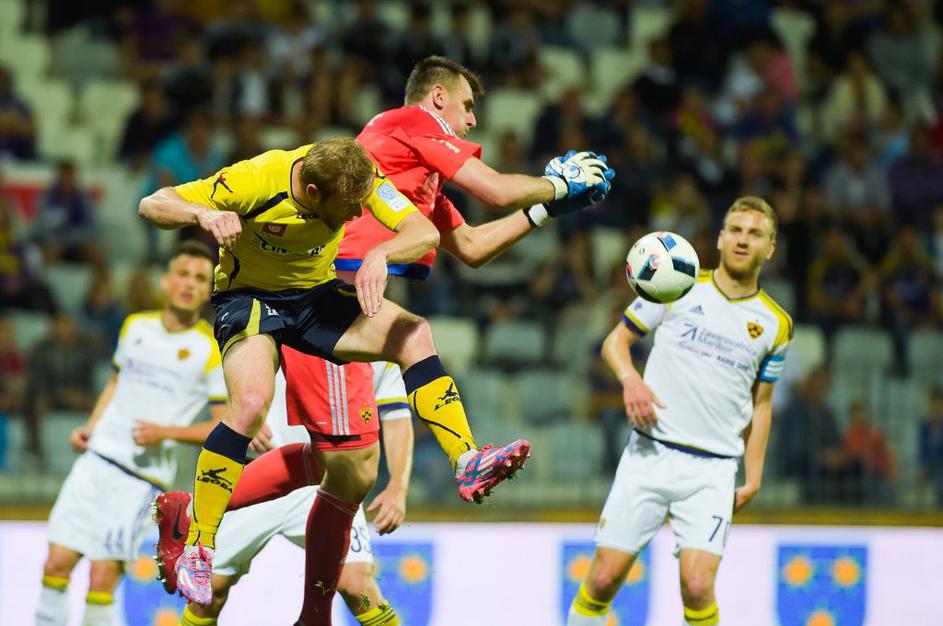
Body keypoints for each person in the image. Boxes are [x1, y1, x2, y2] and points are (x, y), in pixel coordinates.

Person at [138, 134, 610, 623]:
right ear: (313, 193)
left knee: (413, 333)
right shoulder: (256, 179)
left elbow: (422, 232)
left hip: (314, 296)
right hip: (250, 298)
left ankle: (466, 459)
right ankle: (197, 542)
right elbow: (153, 203)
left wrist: (381, 253)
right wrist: (202, 214)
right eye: (347, 209)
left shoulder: (357, 174)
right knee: (253, 401)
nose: (354, 216)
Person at [566, 197, 792, 626]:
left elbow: (762, 404)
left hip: (713, 469)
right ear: (721, 239)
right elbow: (615, 342)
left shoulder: (776, 325)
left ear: (770, 248)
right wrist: (631, 380)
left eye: (755, 234)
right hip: (650, 453)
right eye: (736, 230)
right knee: (604, 577)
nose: (743, 240)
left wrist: (755, 477)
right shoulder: (678, 283)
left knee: (698, 586)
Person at [35, 241, 226, 626]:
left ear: (209, 290)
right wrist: (90, 427)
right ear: (166, 280)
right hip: (96, 461)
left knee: (102, 575)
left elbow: (221, 426)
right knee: (56, 563)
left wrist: (165, 432)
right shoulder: (135, 326)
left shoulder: (210, 348)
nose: (189, 284)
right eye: (183, 274)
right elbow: (115, 383)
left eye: (200, 278)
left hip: (140, 478)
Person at [164, 363, 411, 626]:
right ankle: (189, 513)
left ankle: (188, 511)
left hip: (329, 478)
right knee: (209, 594)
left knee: (358, 585)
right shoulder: (304, 332)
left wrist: (398, 485)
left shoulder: (386, 349)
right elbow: (246, 353)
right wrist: (244, 412)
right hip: (258, 473)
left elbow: (396, 416)